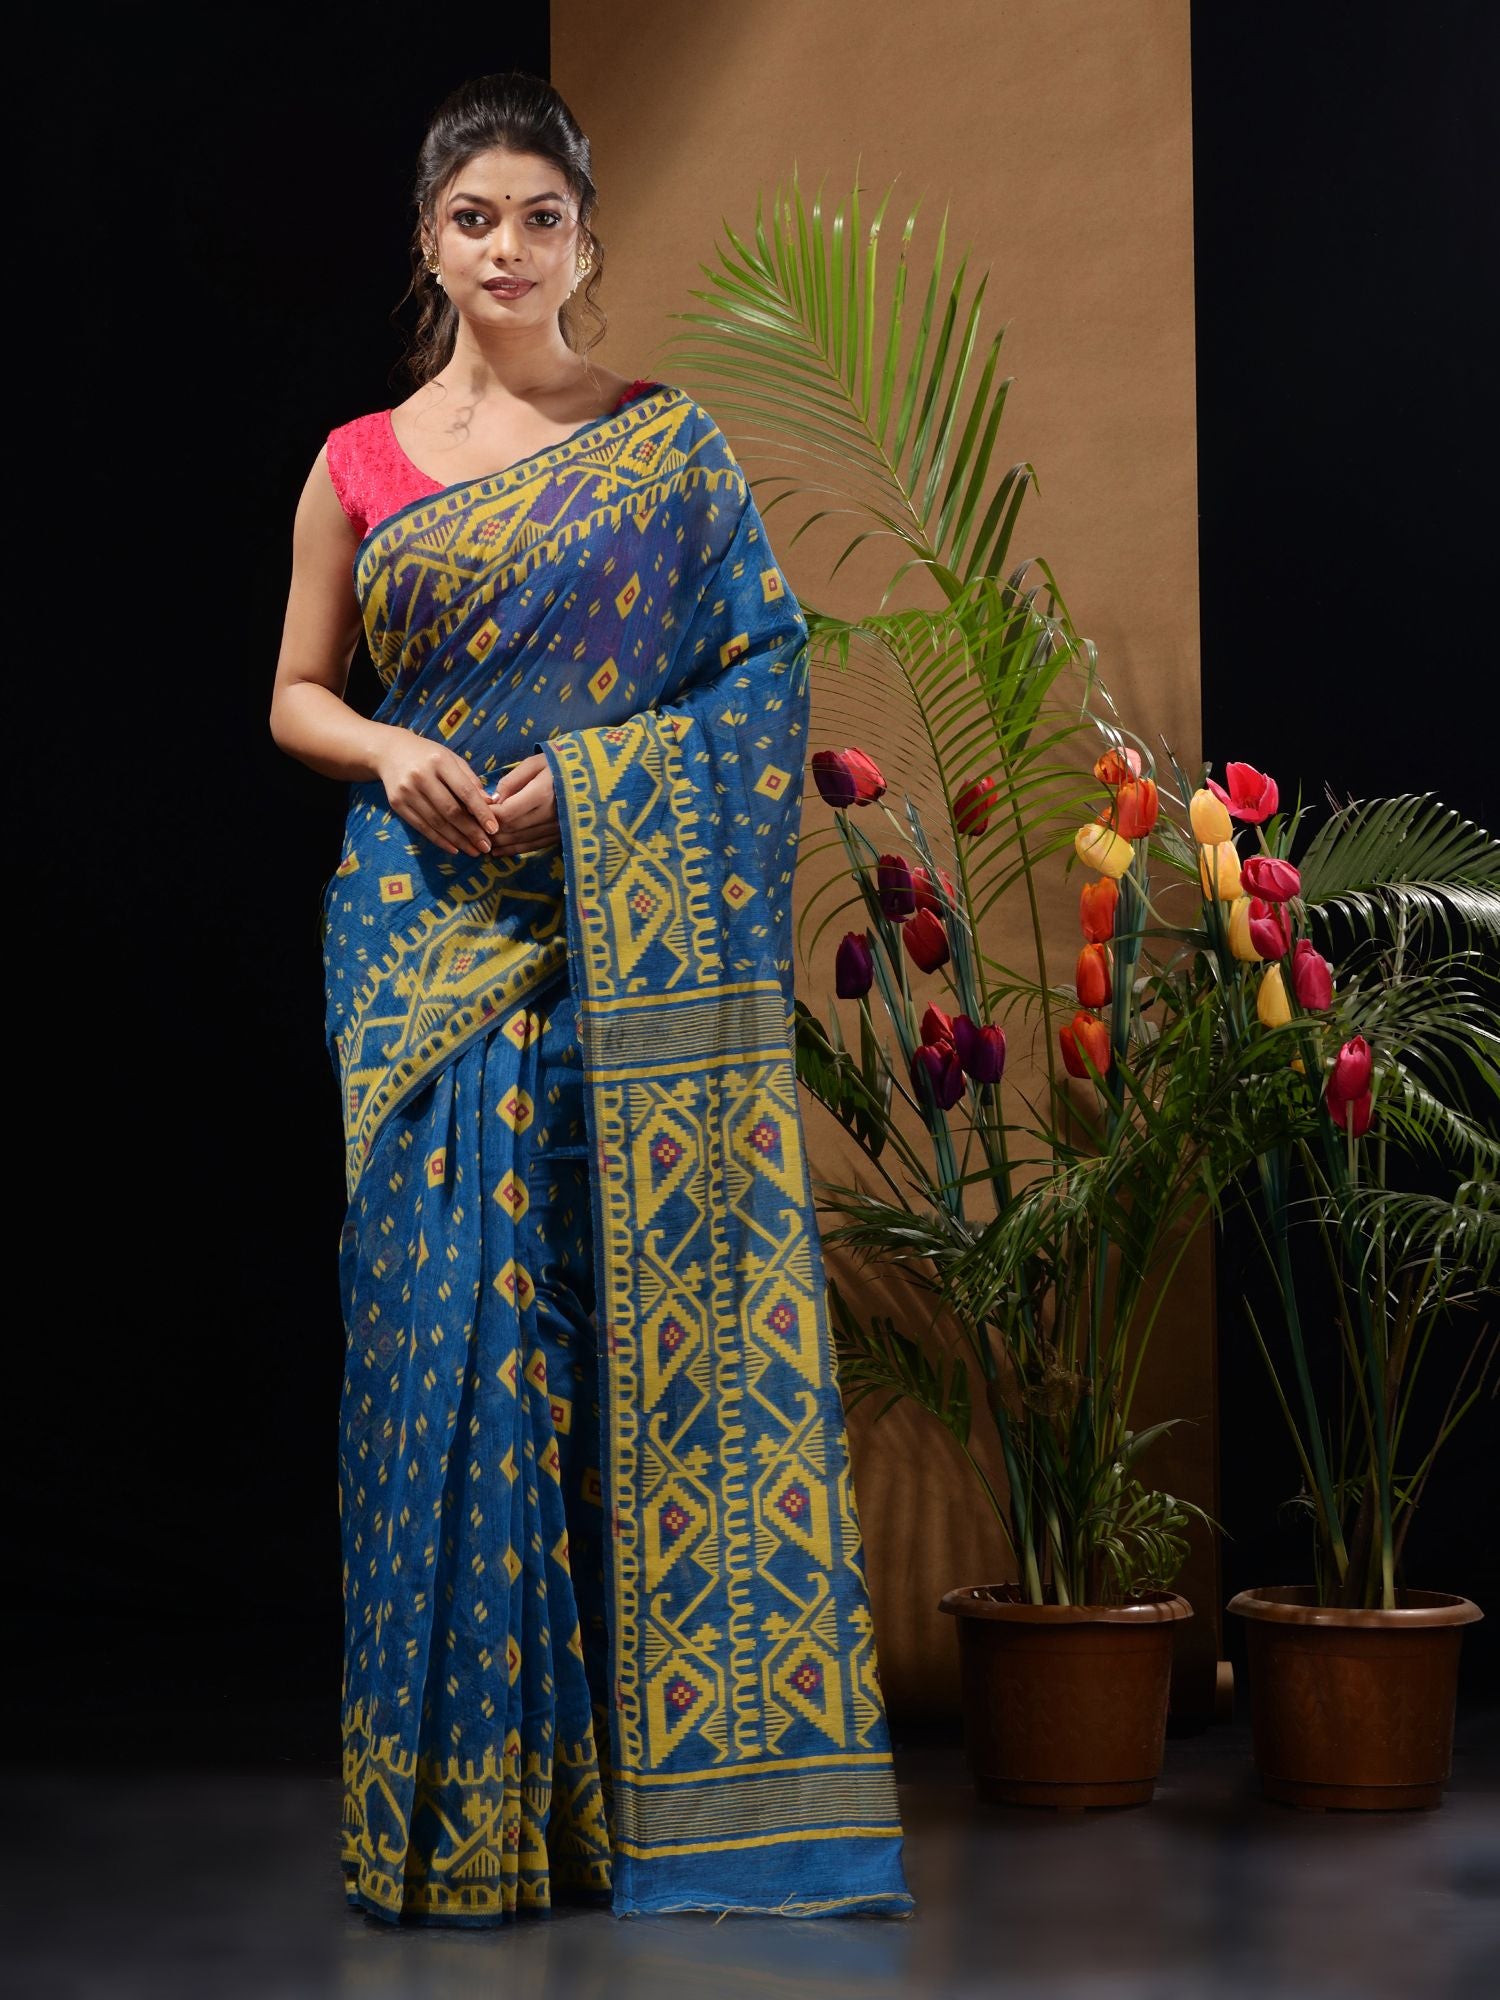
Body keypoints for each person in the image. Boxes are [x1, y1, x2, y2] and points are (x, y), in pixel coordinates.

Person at [270, 70, 912, 1926]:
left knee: (611, 1358)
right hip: (419, 948)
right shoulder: (357, 462)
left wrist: (603, 781)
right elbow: (296, 691)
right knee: (444, 1349)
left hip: (615, 945)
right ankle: (463, 1822)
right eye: (473, 219)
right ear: (429, 243)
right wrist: (391, 750)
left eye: (538, 219)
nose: (507, 249)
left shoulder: (665, 447)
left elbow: (762, 667)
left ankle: (650, 1810)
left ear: (582, 240)